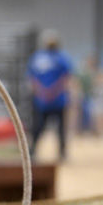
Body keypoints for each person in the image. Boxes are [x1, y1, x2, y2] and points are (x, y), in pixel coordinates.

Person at [27, 29, 73, 161]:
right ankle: (32, 151)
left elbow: (66, 78)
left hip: (58, 100)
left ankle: (62, 153)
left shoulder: (62, 57)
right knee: (38, 127)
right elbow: (32, 78)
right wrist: (41, 91)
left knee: (61, 130)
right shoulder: (37, 57)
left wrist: (53, 91)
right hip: (41, 101)